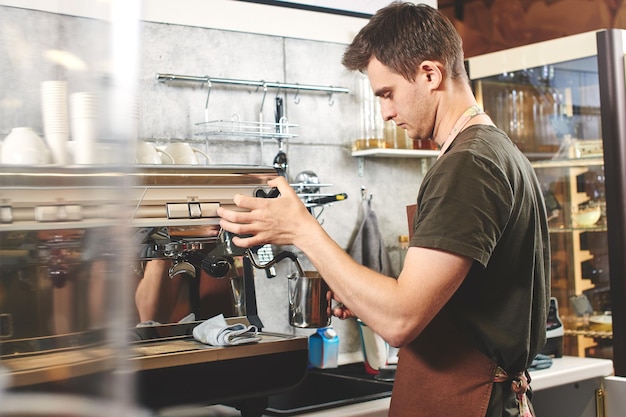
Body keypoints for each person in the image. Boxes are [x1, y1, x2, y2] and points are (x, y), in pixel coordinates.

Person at [217, 3, 550, 416]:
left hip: (471, 403)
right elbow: (441, 300)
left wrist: (301, 228)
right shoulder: (493, 151)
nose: (387, 112)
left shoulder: (470, 164)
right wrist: (362, 296)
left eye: (388, 93)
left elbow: (399, 321)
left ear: (430, 74)